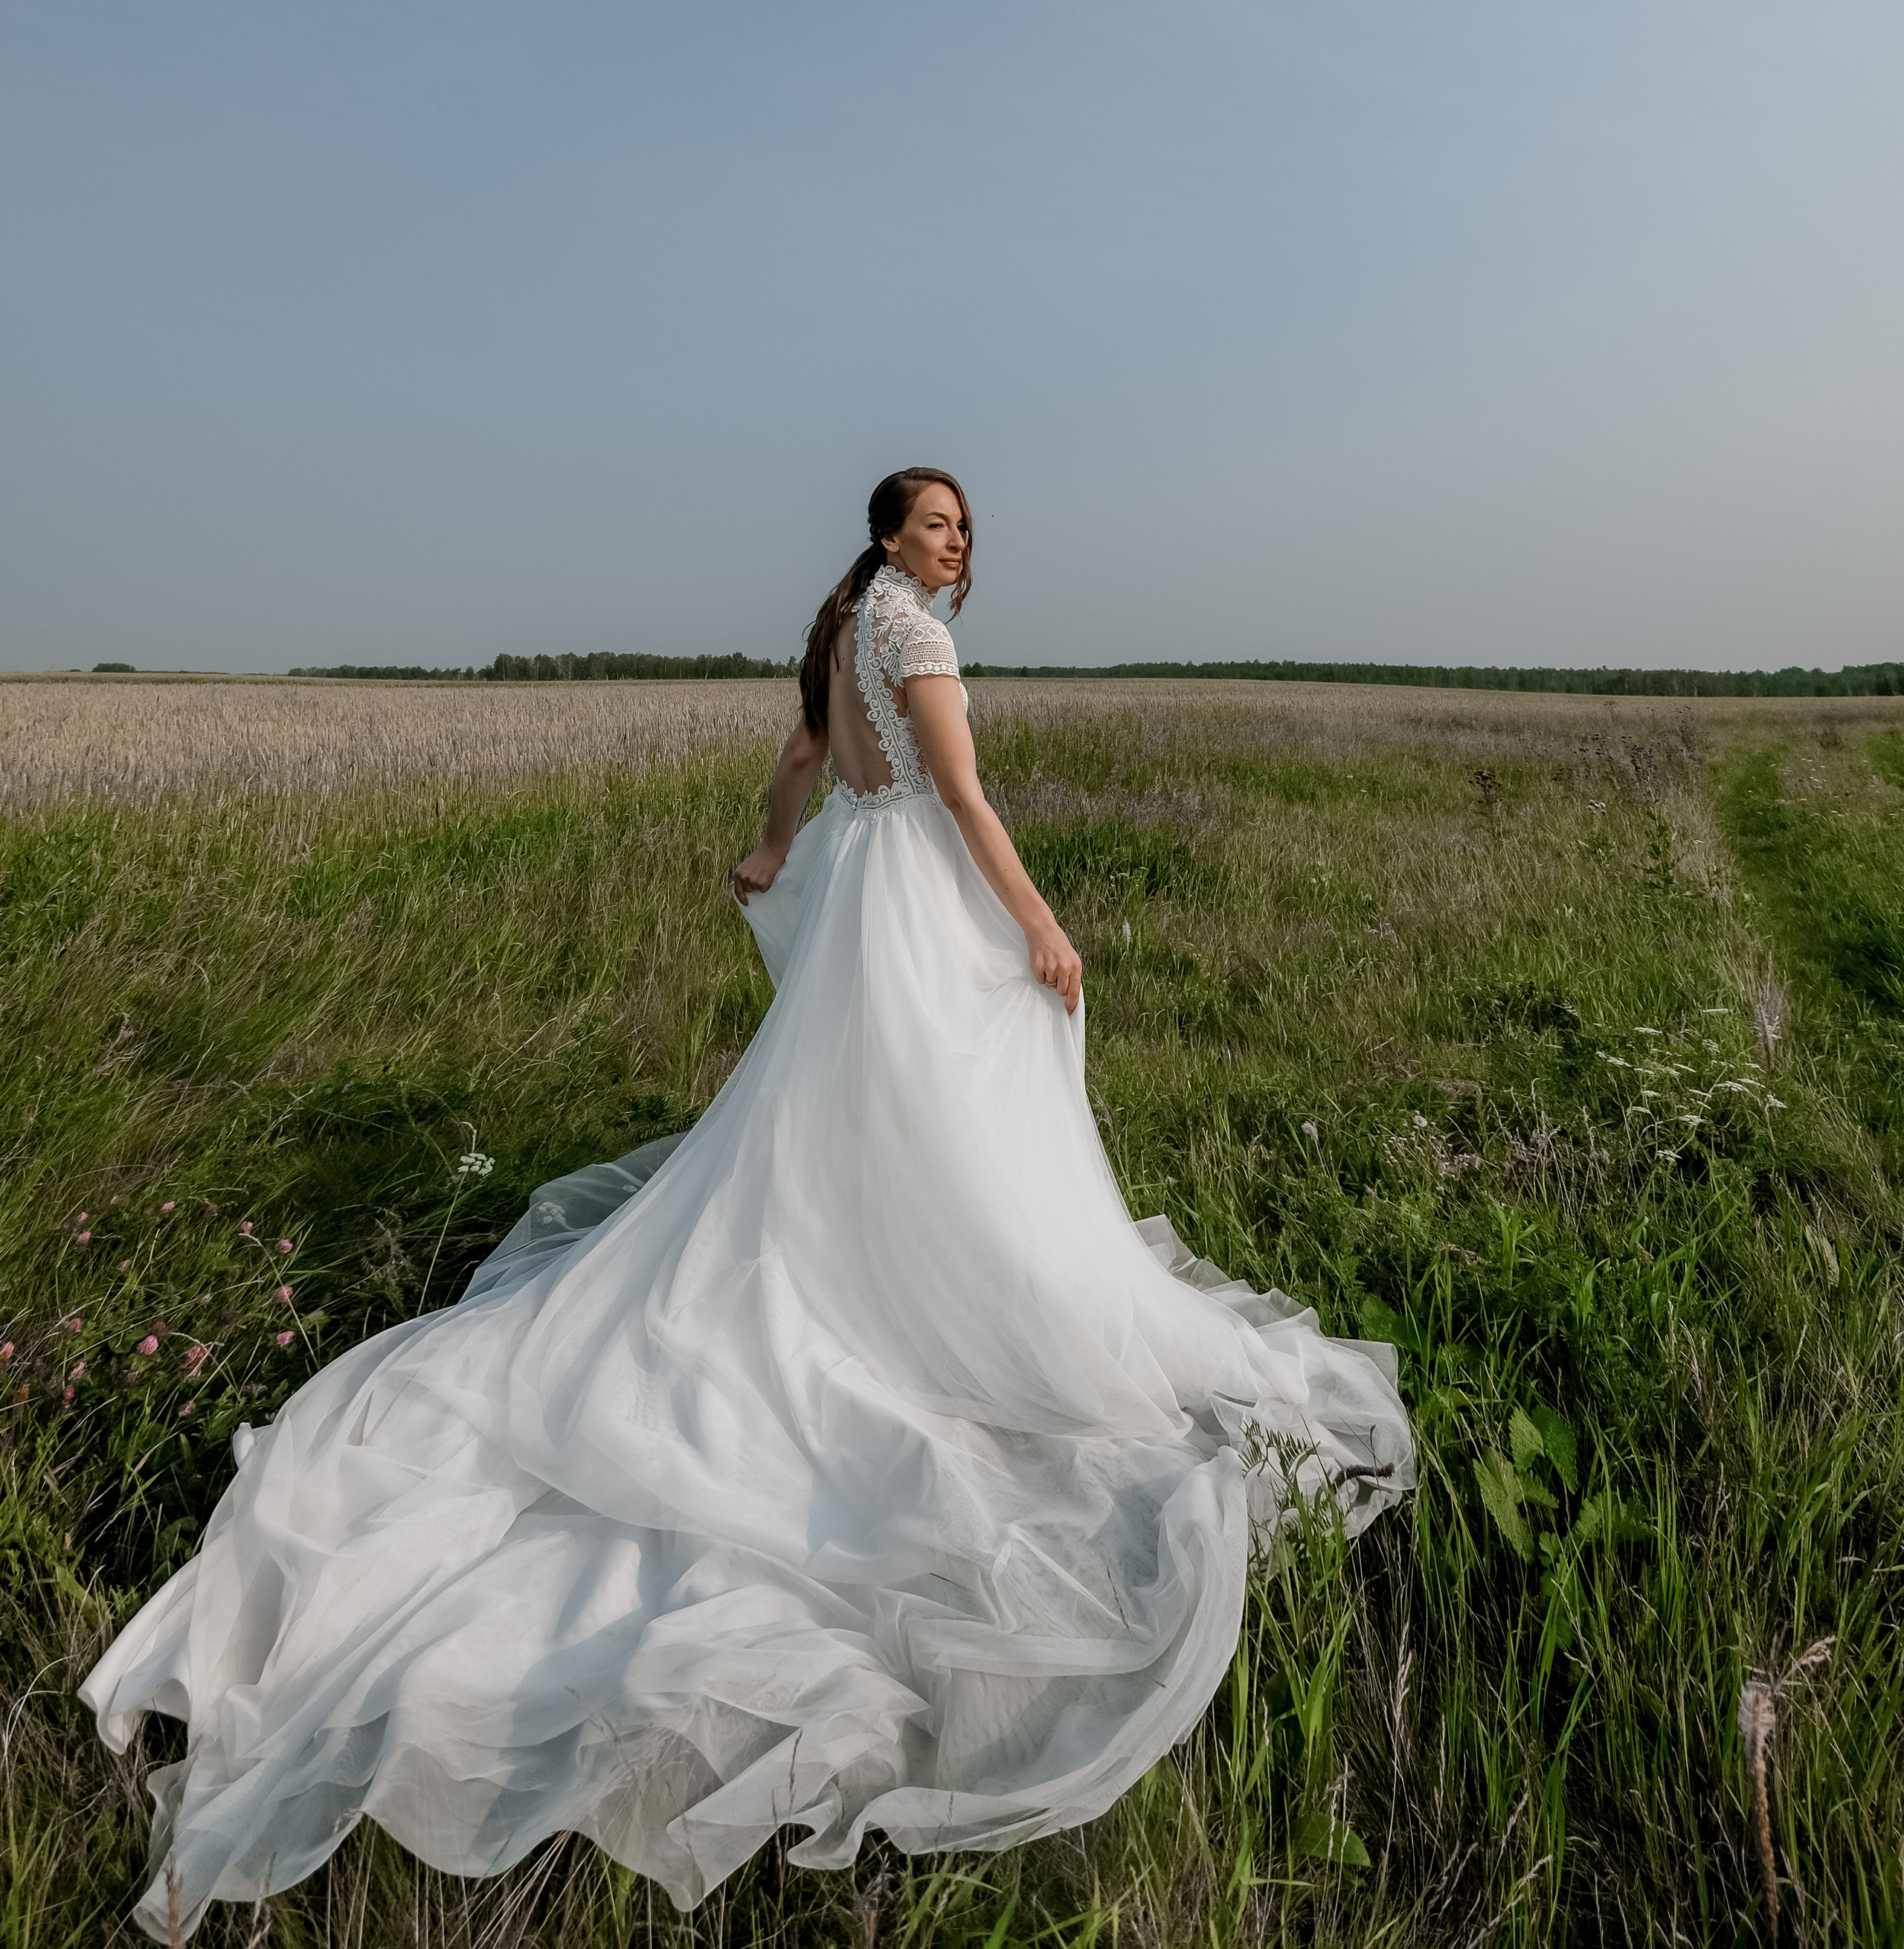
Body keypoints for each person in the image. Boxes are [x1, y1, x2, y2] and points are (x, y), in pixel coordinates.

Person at [83, 466, 1412, 1939]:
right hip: (909, 894)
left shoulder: (843, 623)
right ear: (889, 537)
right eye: (933, 523)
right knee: (951, 1114)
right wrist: (1040, 922)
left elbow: (797, 756)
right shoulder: (910, 634)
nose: (954, 541)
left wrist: (780, 843)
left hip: (855, 888)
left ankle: (871, 1266)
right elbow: (958, 793)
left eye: (964, 525)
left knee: (847, 1121)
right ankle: (930, 1302)